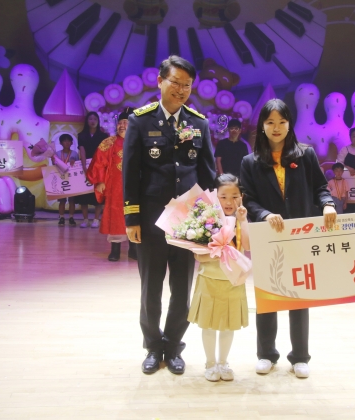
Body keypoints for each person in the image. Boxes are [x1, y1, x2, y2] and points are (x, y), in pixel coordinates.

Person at [123, 56, 216, 375]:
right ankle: (152, 346)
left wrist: (211, 223)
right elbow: (130, 173)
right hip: (151, 221)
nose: (181, 90)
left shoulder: (199, 123)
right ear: (160, 81)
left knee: (181, 287)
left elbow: (207, 176)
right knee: (150, 287)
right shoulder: (140, 121)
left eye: (187, 85)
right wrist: (132, 218)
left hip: (188, 224)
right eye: (175, 82)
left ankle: (174, 346)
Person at [240, 98, 336, 379]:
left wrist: (328, 204)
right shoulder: (250, 162)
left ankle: (300, 357)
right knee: (267, 297)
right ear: (262, 125)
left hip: (300, 237)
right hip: (267, 237)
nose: (276, 127)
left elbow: (321, 187)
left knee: (299, 296)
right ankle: (266, 354)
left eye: (281, 121)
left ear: (289, 124)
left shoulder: (305, 155)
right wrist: (264, 214)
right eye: (270, 122)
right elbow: (248, 199)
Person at [188, 174, 250, 382]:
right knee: (208, 325)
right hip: (209, 279)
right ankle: (210, 363)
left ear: (241, 197)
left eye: (234, 196)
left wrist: (244, 220)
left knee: (228, 325)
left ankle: (223, 363)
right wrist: (219, 251)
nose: (229, 201)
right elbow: (198, 256)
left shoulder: (241, 220)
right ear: (215, 196)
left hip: (234, 281)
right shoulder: (207, 220)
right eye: (223, 197)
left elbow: (248, 246)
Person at [87, 108, 136, 261]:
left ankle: (134, 248)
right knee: (115, 215)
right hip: (115, 186)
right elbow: (99, 162)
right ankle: (115, 249)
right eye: (120, 123)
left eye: (126, 123)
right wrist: (100, 181)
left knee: (135, 214)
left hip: (136, 185)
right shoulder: (108, 143)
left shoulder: (141, 142)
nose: (122, 126)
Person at [75, 111, 106, 228]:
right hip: (86, 165)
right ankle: (85, 219)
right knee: (84, 194)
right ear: (87, 121)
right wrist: (84, 166)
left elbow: (103, 152)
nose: (92, 121)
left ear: (98, 121)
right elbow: (82, 150)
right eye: (90, 119)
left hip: (99, 166)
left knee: (97, 193)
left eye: (95, 119)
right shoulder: (81, 135)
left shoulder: (103, 136)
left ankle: (96, 219)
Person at [53, 134, 79, 226]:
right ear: (61, 143)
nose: (67, 142)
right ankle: (61, 217)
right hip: (61, 179)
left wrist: (74, 162)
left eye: (68, 141)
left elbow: (78, 166)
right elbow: (54, 165)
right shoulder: (57, 154)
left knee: (72, 200)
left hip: (72, 180)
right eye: (64, 141)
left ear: (72, 143)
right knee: (62, 201)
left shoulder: (75, 154)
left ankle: (71, 217)